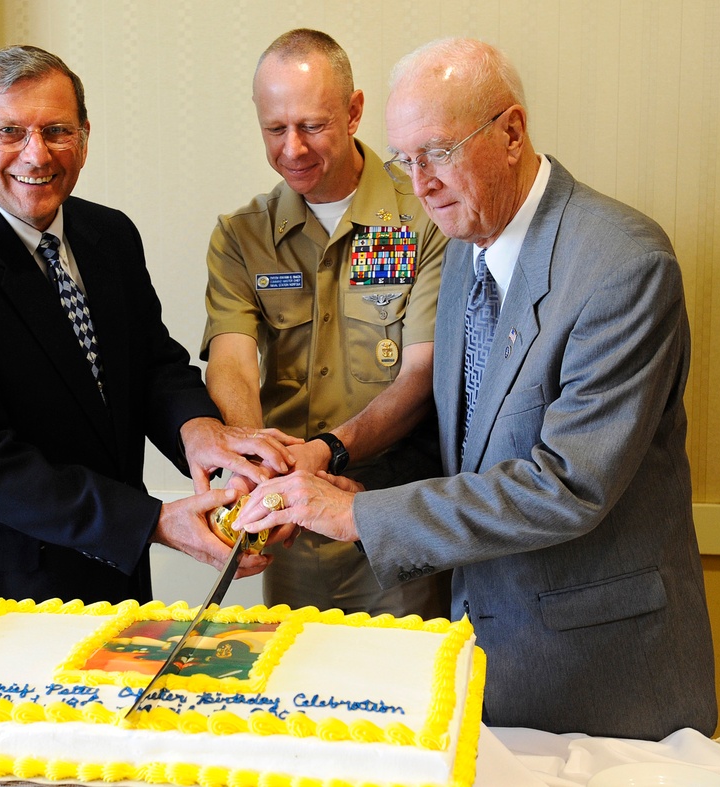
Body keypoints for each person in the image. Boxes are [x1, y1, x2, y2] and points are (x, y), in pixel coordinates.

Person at [234, 37, 718, 740]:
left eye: (437, 152)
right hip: (483, 657)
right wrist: (335, 477)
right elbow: (465, 444)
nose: (421, 182)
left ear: (512, 132)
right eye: (405, 159)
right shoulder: (466, 245)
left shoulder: (622, 264)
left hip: (603, 678)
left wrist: (359, 516)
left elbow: (567, 485)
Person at [0, 45, 294, 655]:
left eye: (56, 131)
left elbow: (152, 365)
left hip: (113, 585)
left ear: (85, 137)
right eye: (9, 132)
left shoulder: (110, 235)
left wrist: (200, 431)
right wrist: (153, 522)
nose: (36, 154)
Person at [201, 29, 449, 617]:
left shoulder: (426, 217)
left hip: (390, 518)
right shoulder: (242, 236)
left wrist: (328, 452)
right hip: (289, 525)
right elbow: (232, 362)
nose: (293, 148)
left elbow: (423, 373)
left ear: (354, 111)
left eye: (312, 126)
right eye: (275, 129)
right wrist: (254, 458)